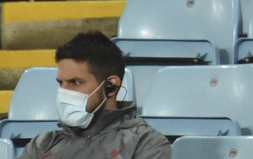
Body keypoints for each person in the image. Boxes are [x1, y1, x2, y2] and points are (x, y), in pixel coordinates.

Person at [21, 30, 171, 159]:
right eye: (61, 83)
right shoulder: (41, 145)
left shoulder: (145, 143)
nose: (64, 92)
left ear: (110, 86)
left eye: (75, 82)